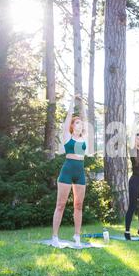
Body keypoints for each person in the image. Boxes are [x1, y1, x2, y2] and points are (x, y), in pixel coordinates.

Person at [52, 98, 87, 247]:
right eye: (77, 122)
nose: (80, 124)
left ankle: (77, 236)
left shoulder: (84, 138)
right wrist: (73, 103)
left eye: (81, 123)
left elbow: (85, 118)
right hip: (67, 171)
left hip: (79, 172)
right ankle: (55, 237)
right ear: (72, 126)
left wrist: (83, 105)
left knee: (78, 205)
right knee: (60, 205)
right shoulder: (67, 137)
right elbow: (67, 120)